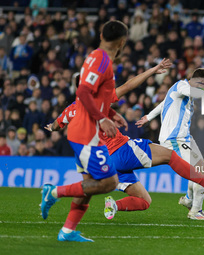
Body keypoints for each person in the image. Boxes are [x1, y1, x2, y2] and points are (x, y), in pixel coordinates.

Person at [46, 65, 204, 221]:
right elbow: (127, 86)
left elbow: (56, 125)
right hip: (121, 150)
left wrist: (52, 127)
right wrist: (152, 70)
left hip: (108, 163)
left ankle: (113, 205)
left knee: (144, 201)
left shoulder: (70, 111)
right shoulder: (99, 101)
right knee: (170, 156)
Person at [40, 20, 129, 243]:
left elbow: (93, 94)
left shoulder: (94, 56)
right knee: (109, 182)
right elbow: (83, 90)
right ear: (122, 42)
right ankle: (53, 192)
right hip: (87, 133)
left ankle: (68, 231)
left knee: (89, 184)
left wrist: (109, 112)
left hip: (86, 130)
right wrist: (102, 119)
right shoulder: (103, 61)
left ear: (101, 35)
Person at [136, 68, 204, 220]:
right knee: (199, 171)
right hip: (174, 139)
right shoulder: (181, 86)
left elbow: (163, 104)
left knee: (203, 171)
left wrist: (148, 116)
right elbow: (192, 92)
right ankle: (196, 211)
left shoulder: (180, 92)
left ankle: (188, 199)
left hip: (185, 138)